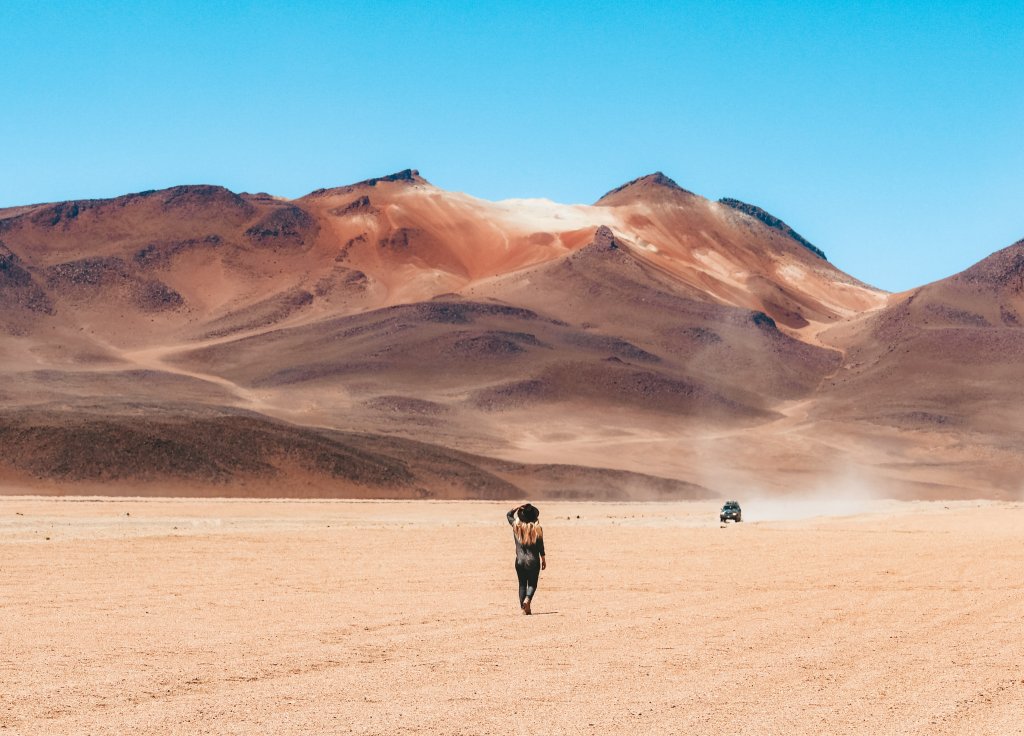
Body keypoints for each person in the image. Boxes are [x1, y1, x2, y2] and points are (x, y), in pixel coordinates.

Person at [506, 503, 546, 614]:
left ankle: (524, 609)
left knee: (522, 584)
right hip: (533, 561)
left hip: (519, 560)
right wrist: (543, 558)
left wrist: (517, 507)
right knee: (532, 584)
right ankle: (528, 599)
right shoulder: (537, 529)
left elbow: (508, 515)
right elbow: (540, 546)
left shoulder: (516, 526)